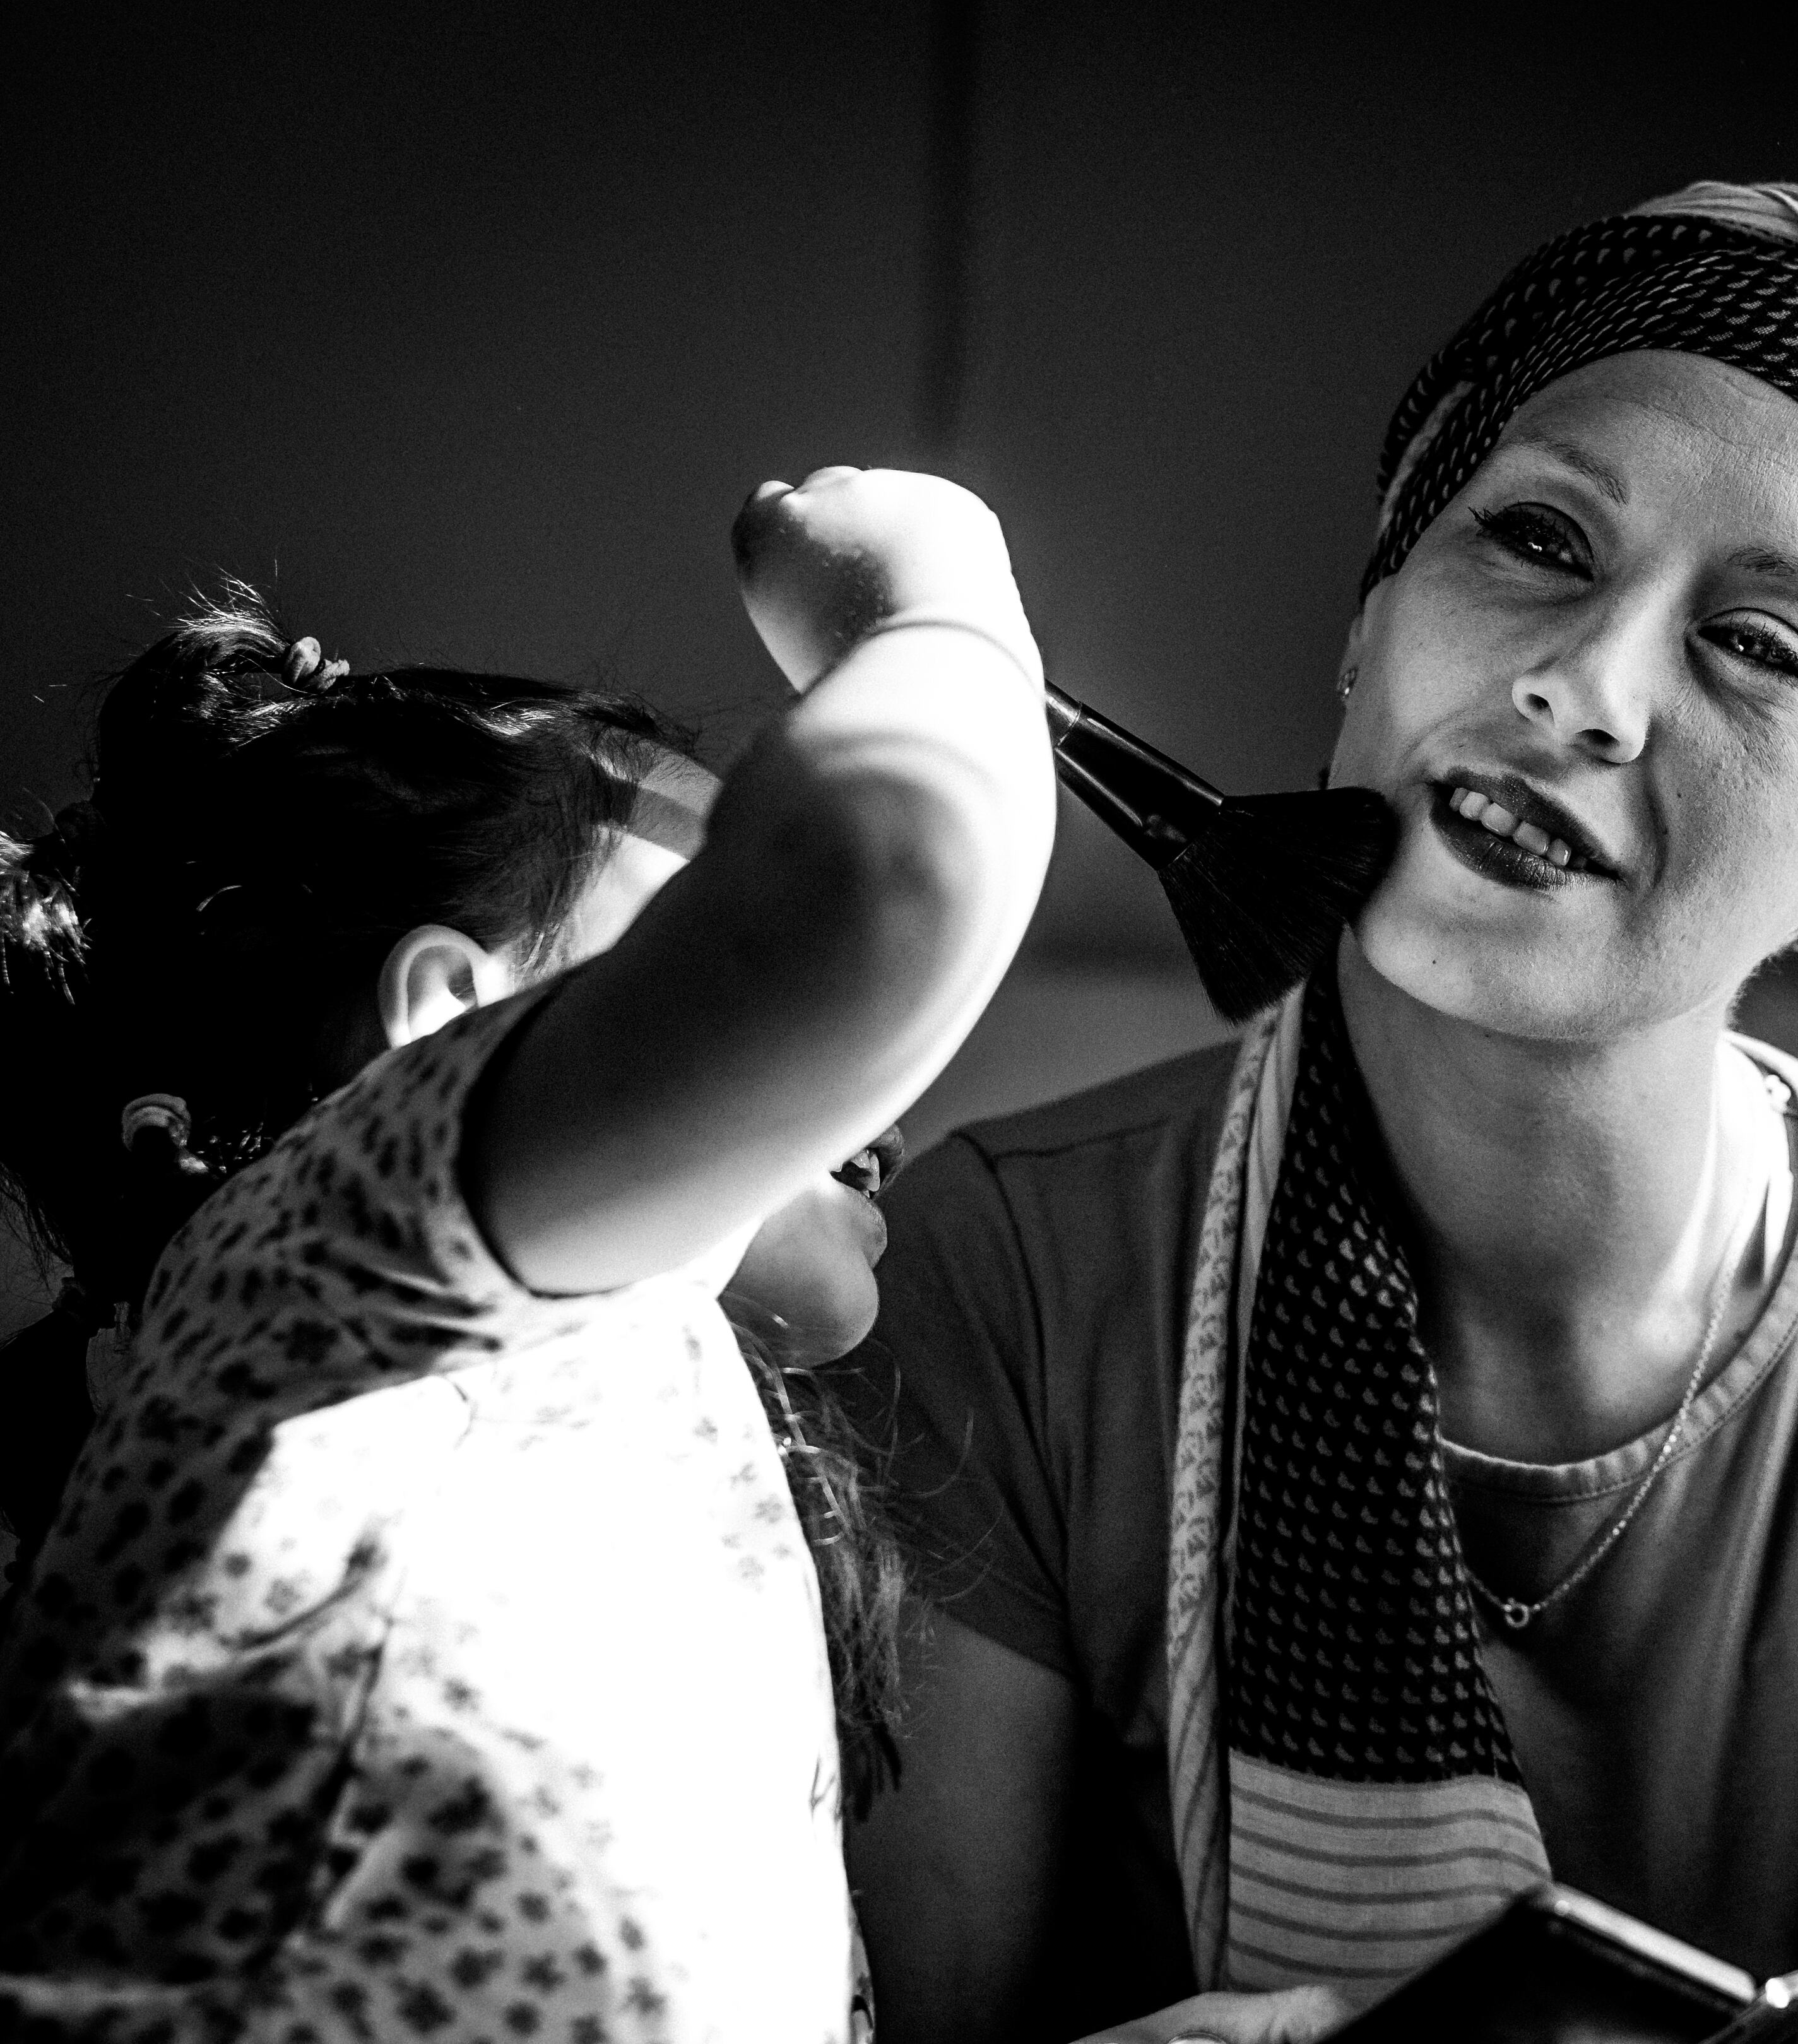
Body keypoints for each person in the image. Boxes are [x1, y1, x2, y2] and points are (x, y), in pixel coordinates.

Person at [844, 180, 1798, 2044]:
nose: (1580, 681)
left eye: (1758, 643)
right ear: (1369, 622)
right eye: (1538, 540)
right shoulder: (997, 1272)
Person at [0, 466, 1056, 2039]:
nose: (874, 1096)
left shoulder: (580, 1434)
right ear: (445, 1023)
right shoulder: (332, 1250)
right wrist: (933, 591)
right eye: (710, 886)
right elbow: (885, 880)